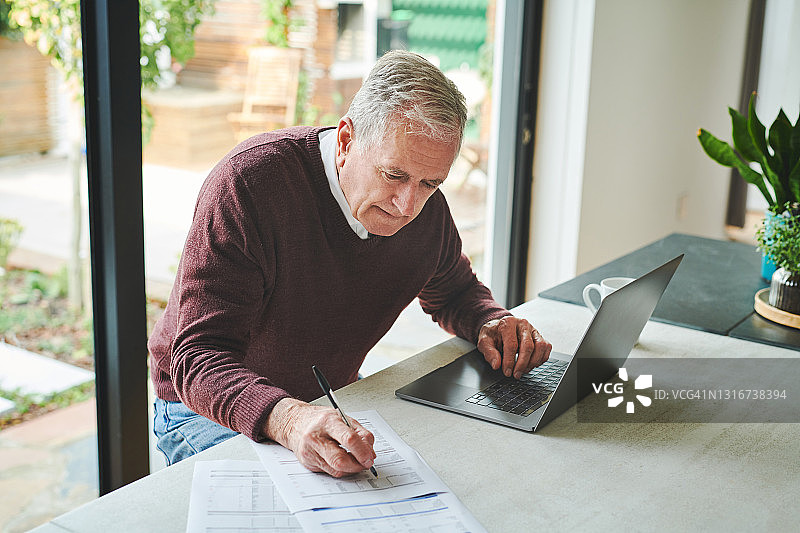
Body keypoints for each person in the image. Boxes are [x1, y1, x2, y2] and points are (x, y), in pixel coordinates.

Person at [148, 50, 552, 476]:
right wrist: (289, 418)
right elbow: (198, 359)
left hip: (329, 399)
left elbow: (454, 291)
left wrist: (492, 322)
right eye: (394, 175)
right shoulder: (249, 185)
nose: (408, 205)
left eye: (431, 183)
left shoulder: (423, 206)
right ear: (345, 141)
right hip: (204, 407)